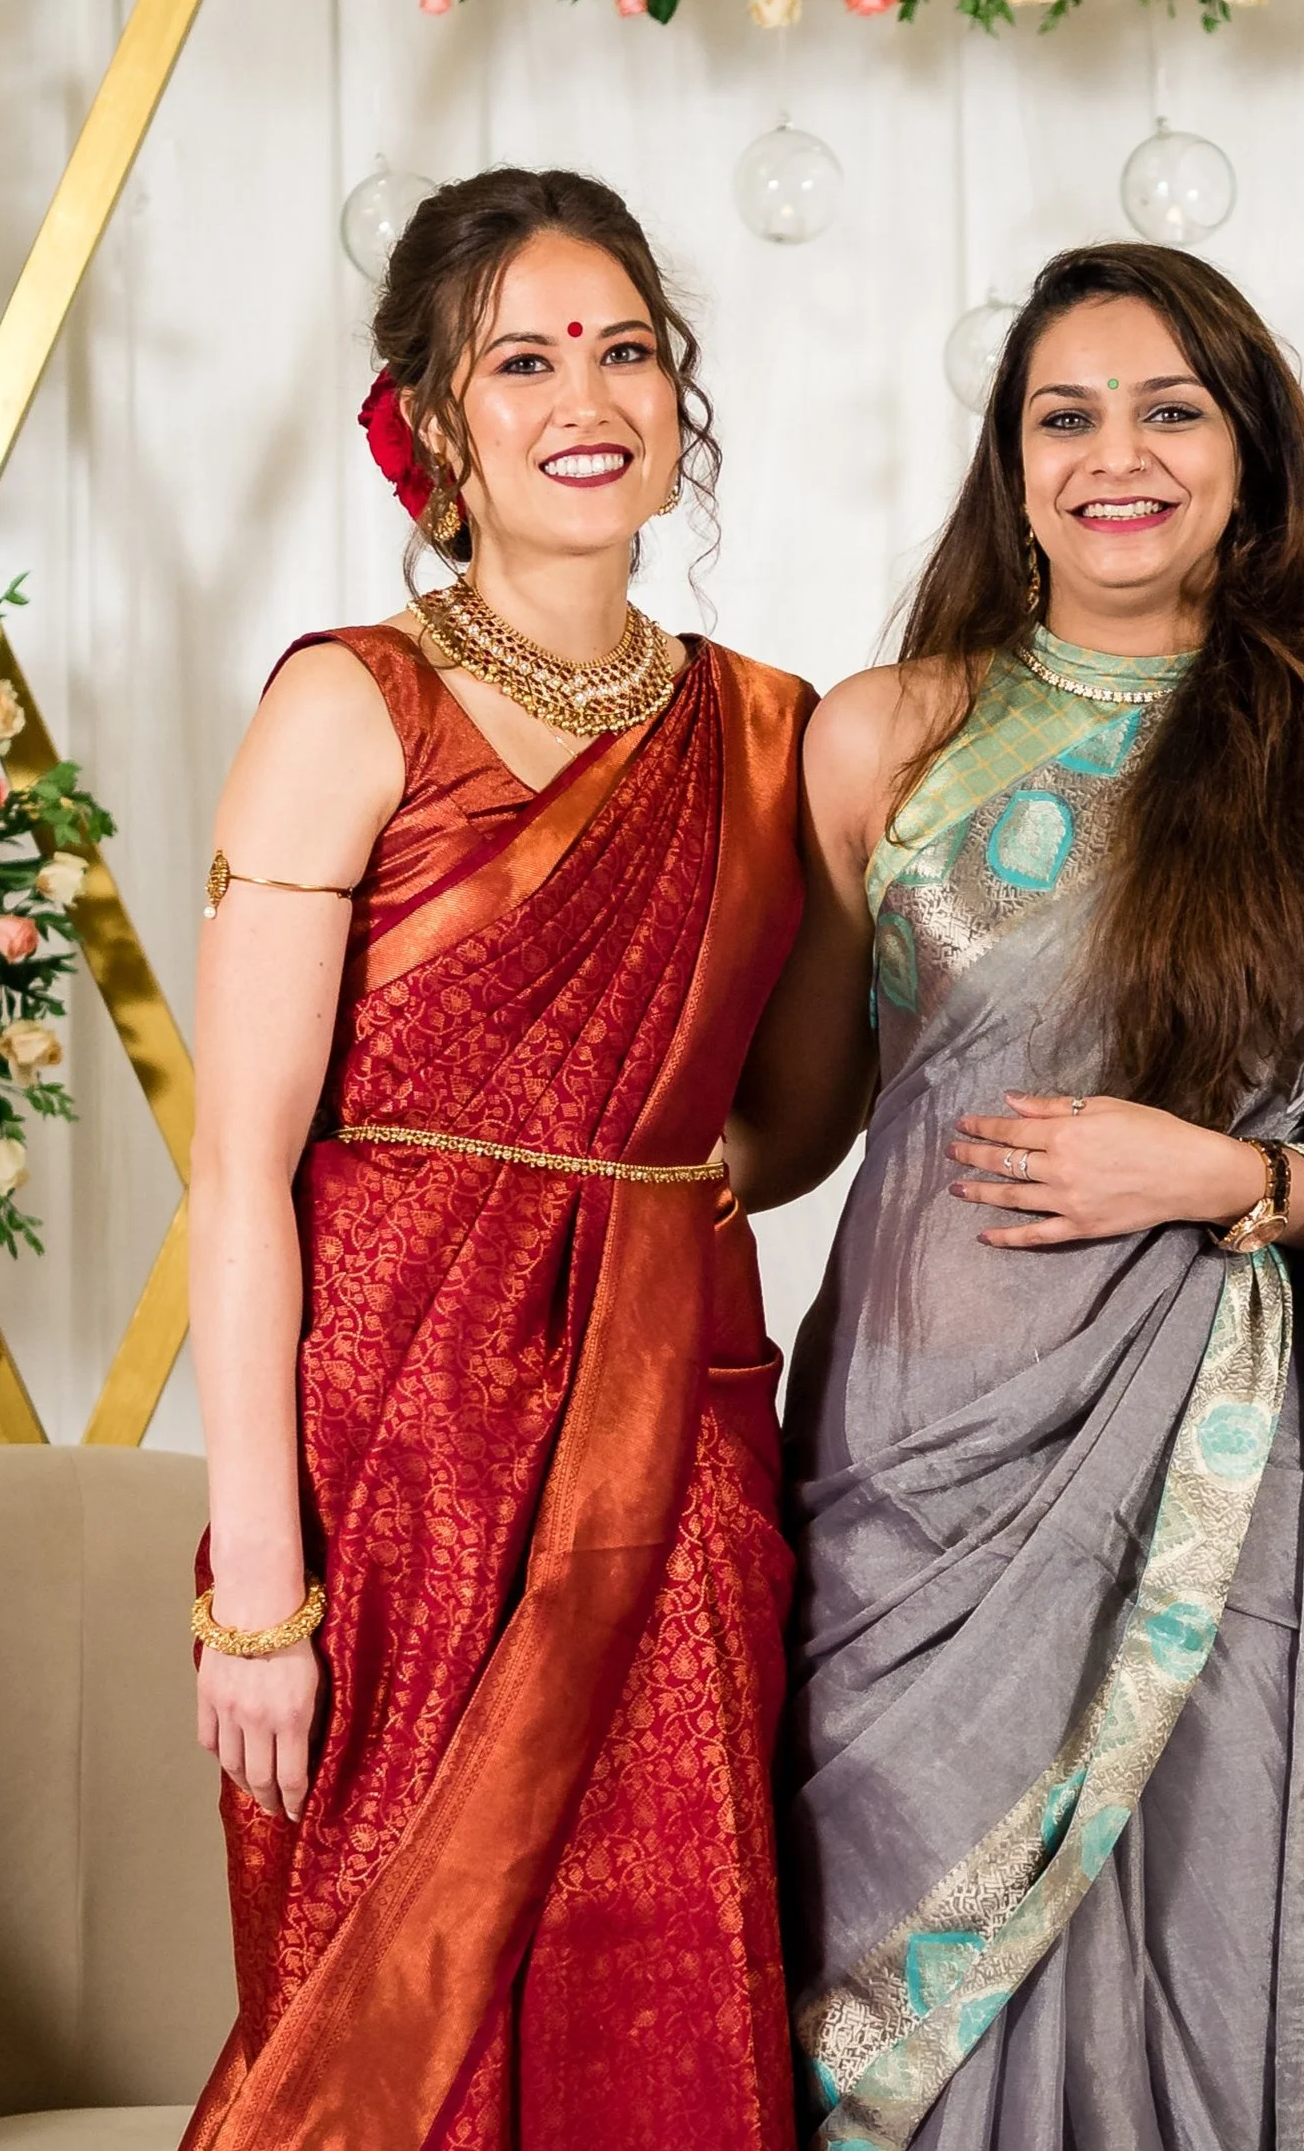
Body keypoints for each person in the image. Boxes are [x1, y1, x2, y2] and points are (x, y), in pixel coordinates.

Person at [754, 242, 1304, 2151]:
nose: (1115, 457)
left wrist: (1226, 1172)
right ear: (1011, 460)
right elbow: (790, 1126)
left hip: (1203, 1468)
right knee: (878, 1947)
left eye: (1171, 412)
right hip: (905, 1457)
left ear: (1254, 456)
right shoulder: (882, 735)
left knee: (1176, 1933)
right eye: (1066, 416)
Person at [183, 169, 831, 2150]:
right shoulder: (349, 704)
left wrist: (637, 1216)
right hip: (390, 1478)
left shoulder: (763, 732)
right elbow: (238, 1169)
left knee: (673, 1966)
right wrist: (258, 1587)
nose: (589, 397)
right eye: (524, 361)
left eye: (625, 350)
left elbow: (788, 1122)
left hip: (668, 1450)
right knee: (383, 2018)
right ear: (431, 424)